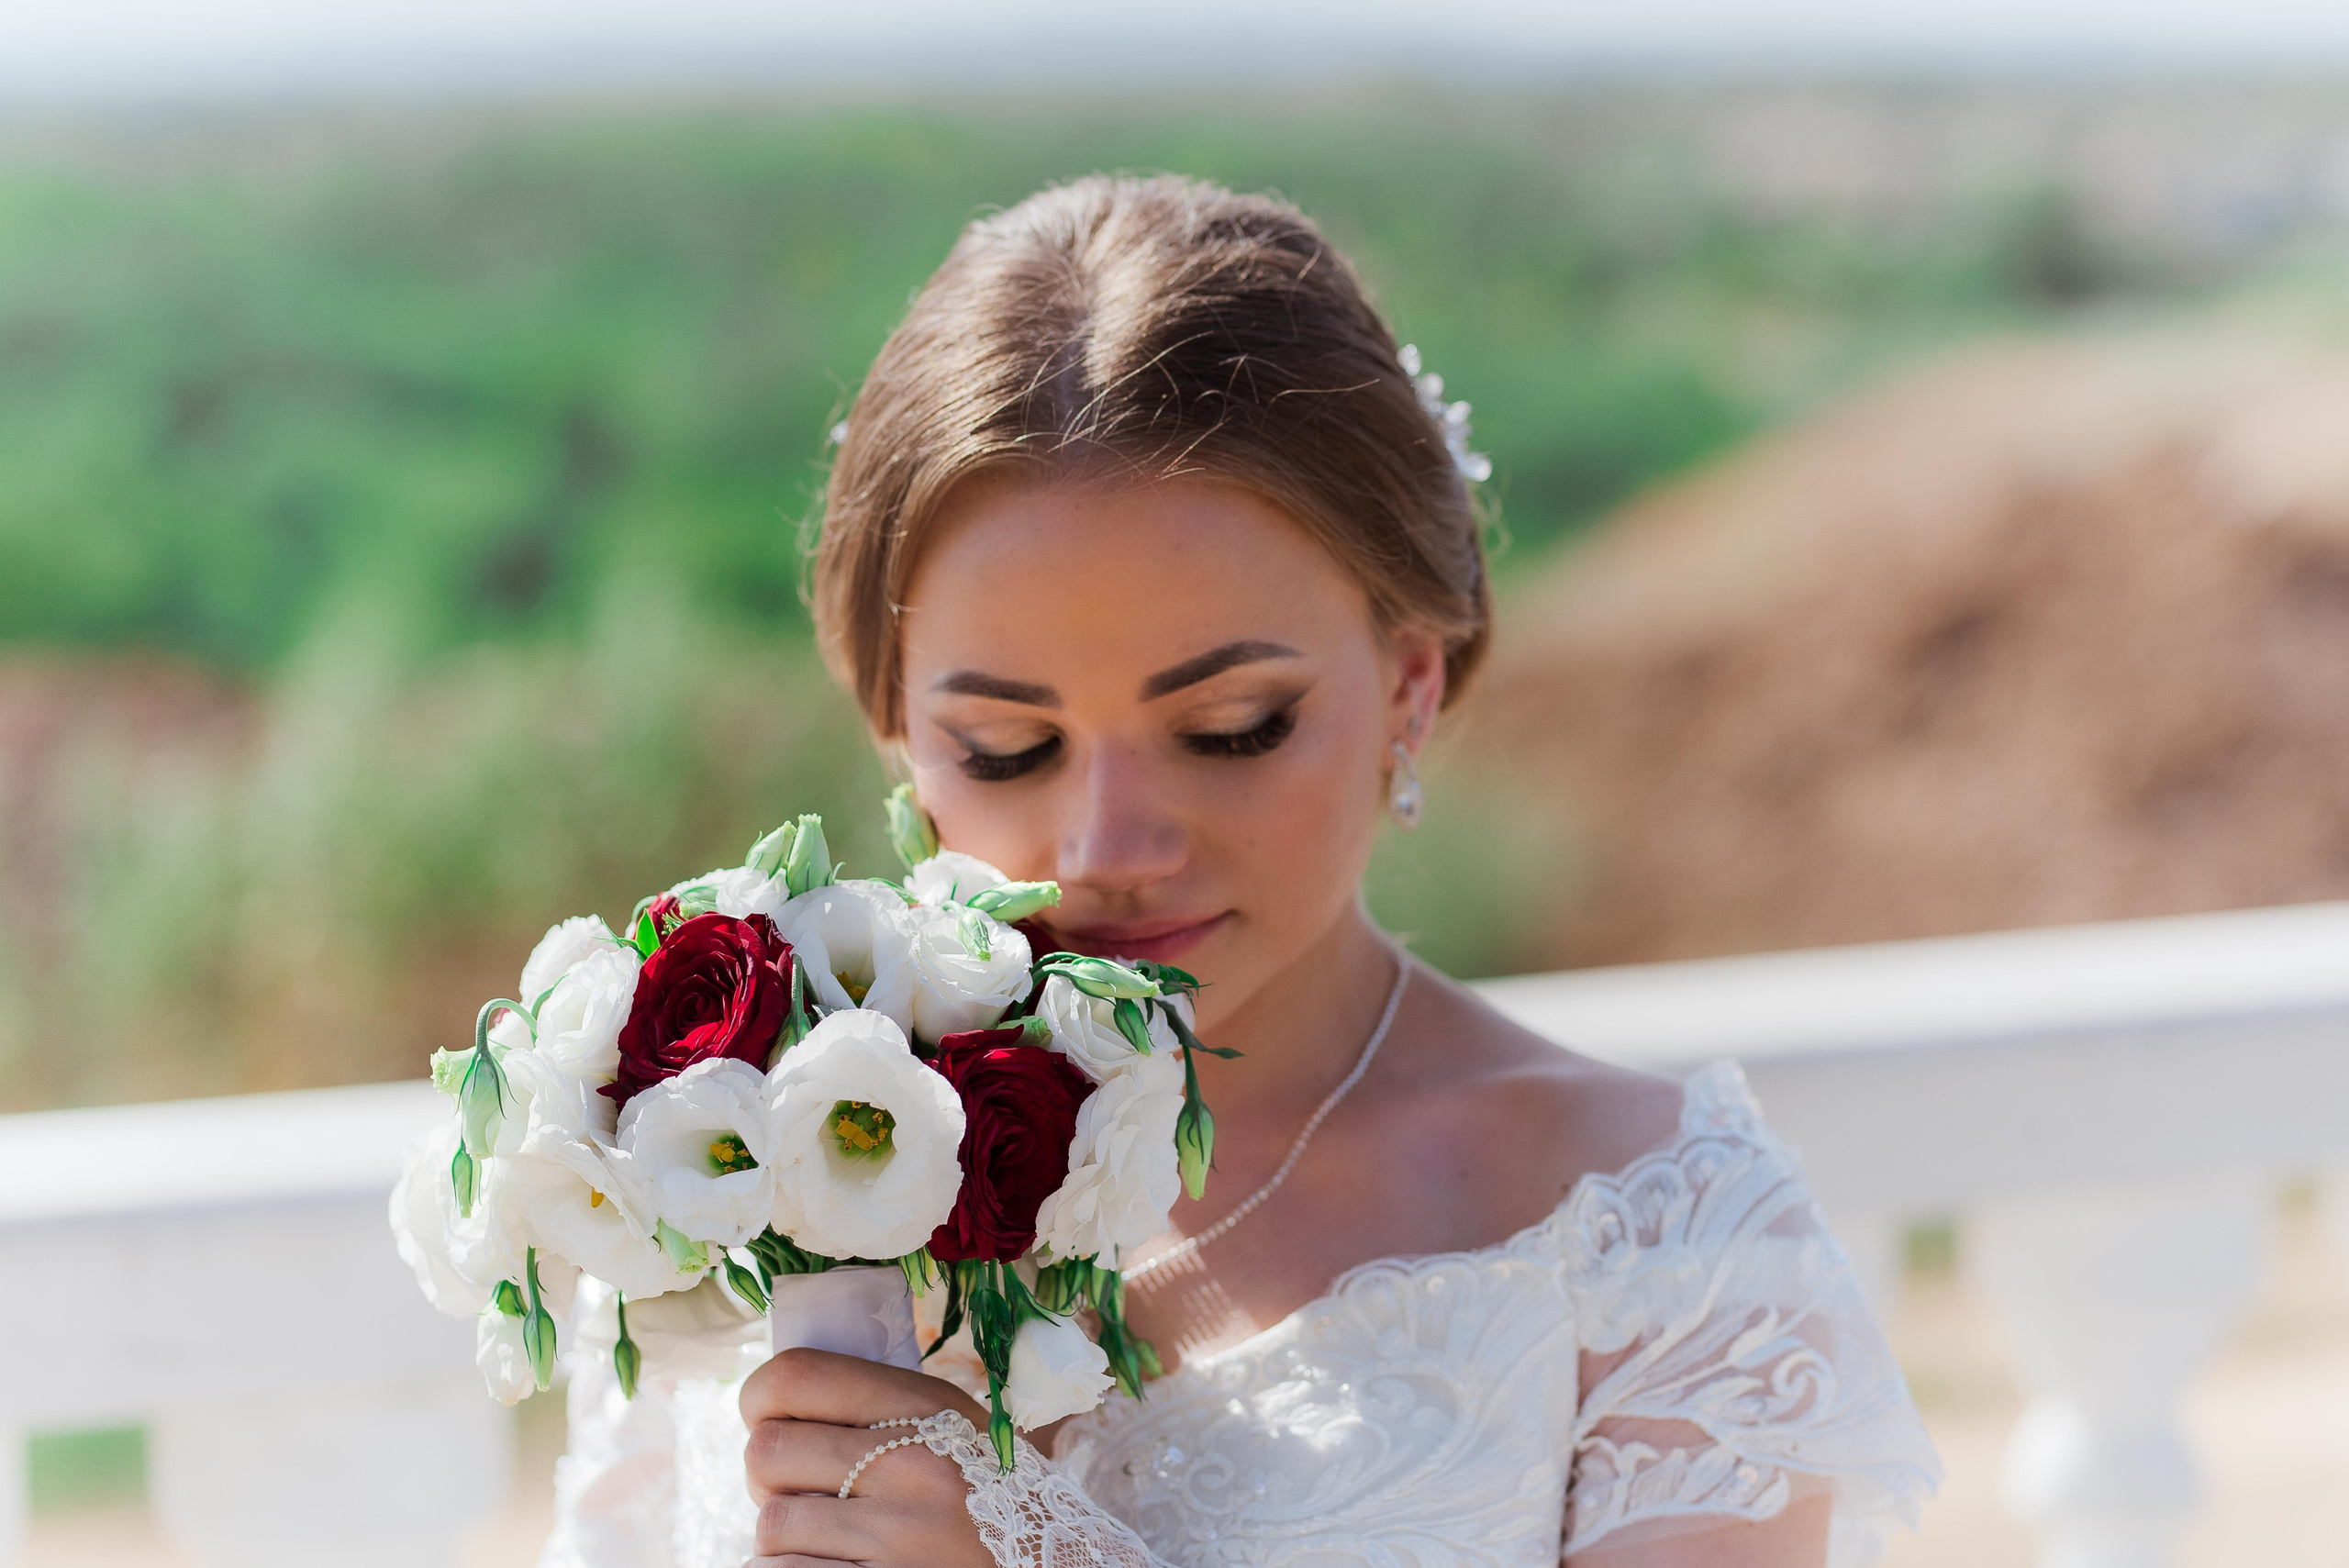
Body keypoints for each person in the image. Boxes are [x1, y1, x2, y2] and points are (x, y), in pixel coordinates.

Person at [733, 174, 1941, 1568]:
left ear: (1410, 686)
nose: (1107, 847)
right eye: (1005, 747)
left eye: (1230, 728)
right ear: (896, 733)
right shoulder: (742, 1172)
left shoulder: (1661, 1244)